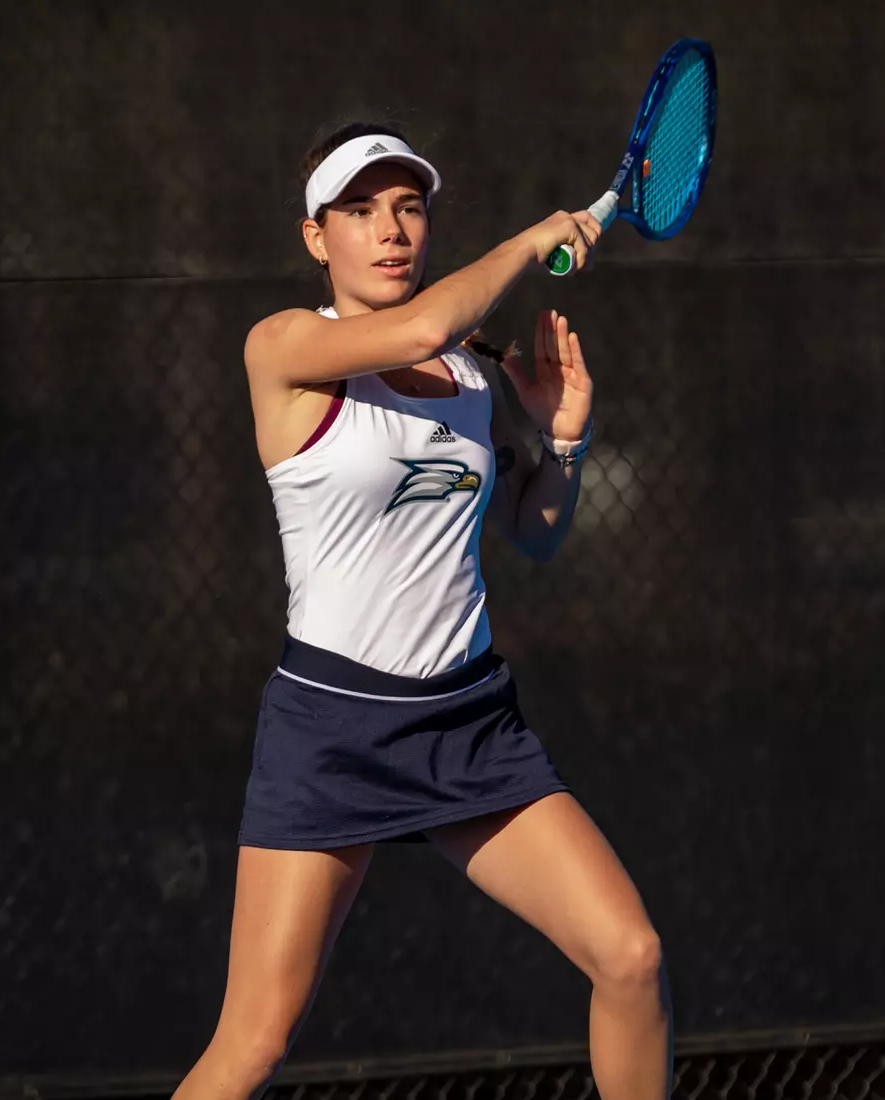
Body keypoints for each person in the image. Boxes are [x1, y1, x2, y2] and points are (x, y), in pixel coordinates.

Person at [170, 121, 671, 1100]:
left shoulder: (475, 375)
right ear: (318, 237)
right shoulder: (285, 347)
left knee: (633, 954)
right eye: (360, 210)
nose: (391, 229)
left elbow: (533, 531)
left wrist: (563, 438)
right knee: (254, 1046)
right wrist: (532, 243)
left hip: (471, 725)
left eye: (408, 207)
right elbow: (415, 329)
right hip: (331, 729)